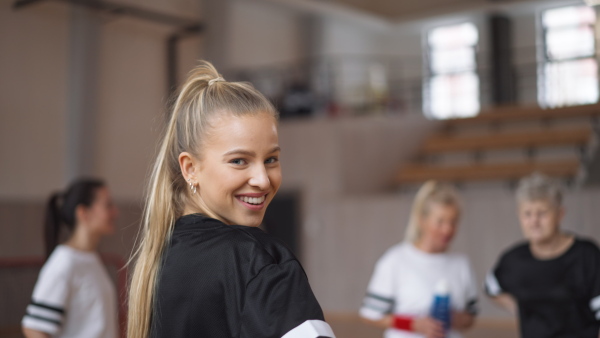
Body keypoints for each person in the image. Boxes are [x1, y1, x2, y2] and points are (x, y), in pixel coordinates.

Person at [127, 61, 334, 338]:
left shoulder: (160, 260)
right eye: (239, 161)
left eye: (271, 159)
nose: (262, 179)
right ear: (190, 168)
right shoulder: (255, 258)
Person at [485, 173, 600, 337]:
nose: (534, 222)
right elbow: (491, 287)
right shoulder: (514, 259)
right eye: (527, 214)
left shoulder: (587, 255)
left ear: (560, 214)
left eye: (542, 213)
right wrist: (520, 309)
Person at [360, 181, 478, 338]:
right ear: (422, 219)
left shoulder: (461, 264)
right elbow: (370, 314)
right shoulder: (396, 260)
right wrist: (412, 324)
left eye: (453, 222)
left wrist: (460, 320)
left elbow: (471, 317)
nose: (448, 229)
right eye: (440, 221)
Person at [22, 178, 119, 338]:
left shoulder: (90, 258)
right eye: (107, 205)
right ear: (83, 213)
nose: (115, 212)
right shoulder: (64, 263)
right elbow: (33, 328)